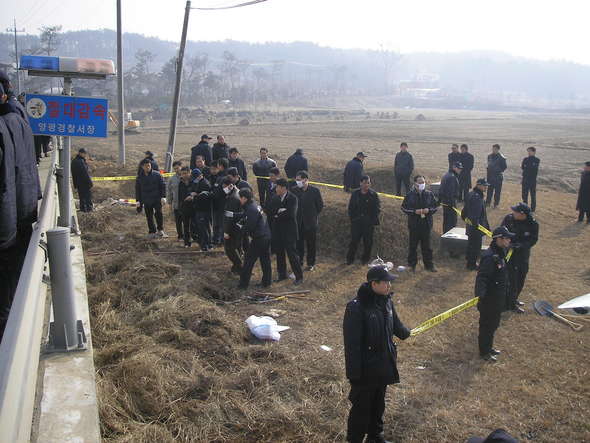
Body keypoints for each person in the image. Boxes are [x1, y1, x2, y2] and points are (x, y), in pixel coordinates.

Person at [343, 265, 410, 443]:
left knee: (379, 404)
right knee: (361, 409)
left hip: (384, 364)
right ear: (374, 283)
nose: (389, 285)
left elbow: (396, 324)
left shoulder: (386, 301)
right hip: (366, 370)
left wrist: (406, 332)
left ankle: (375, 437)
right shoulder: (356, 307)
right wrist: (354, 374)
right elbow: (352, 345)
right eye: (386, 282)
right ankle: (354, 439)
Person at [476, 226, 514, 362]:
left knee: (493, 325)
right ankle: (484, 351)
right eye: (506, 238)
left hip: (498, 299)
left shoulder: (501, 253)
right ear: (499, 239)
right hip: (489, 301)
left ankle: (489, 347)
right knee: (486, 326)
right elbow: (482, 278)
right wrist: (481, 296)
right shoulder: (489, 257)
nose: (509, 240)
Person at [502, 203, 538, 313]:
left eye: (515, 211)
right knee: (511, 279)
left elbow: (533, 239)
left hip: (522, 255)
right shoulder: (509, 219)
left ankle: (514, 299)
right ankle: (509, 304)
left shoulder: (533, 224)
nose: (513, 213)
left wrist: (521, 246)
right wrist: (507, 243)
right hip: (509, 254)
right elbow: (501, 232)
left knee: (521, 277)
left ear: (522, 214)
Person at [401, 175, 439, 272]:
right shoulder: (410, 195)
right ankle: (411, 265)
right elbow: (404, 208)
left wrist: (429, 210)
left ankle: (429, 265)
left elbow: (435, 207)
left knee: (427, 246)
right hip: (414, 224)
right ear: (415, 183)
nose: (422, 184)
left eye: (423, 182)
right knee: (413, 246)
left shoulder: (429, 194)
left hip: (426, 224)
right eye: (420, 182)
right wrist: (414, 211)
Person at [270, 178, 304, 285]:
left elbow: (291, 214)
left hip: (289, 232)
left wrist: (278, 214)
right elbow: (270, 210)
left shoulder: (293, 198)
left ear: (283, 188)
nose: (276, 189)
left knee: (292, 255)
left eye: (278, 187)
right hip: (278, 231)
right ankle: (282, 274)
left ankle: (299, 276)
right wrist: (279, 212)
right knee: (280, 254)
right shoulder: (275, 198)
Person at [237, 188, 272, 289]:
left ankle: (242, 285)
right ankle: (267, 282)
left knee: (248, 261)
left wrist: (240, 230)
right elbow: (246, 216)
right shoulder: (255, 204)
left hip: (259, 238)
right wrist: (236, 217)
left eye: (240, 198)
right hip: (266, 235)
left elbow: (249, 226)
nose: (239, 200)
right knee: (265, 260)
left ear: (244, 198)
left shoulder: (251, 209)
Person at [292, 170, 324, 271]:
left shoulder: (315, 191)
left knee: (311, 244)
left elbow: (320, 206)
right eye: (296, 180)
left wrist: (312, 216)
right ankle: (299, 261)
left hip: (311, 223)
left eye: (299, 180)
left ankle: (310, 263)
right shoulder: (294, 190)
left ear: (305, 180)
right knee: (298, 244)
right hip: (298, 222)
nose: (297, 182)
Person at [346, 175, 381, 265]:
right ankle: (350, 259)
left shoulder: (373, 195)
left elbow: (377, 209)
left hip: (368, 224)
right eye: (365, 182)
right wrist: (353, 219)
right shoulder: (355, 194)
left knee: (368, 242)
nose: (367, 185)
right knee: (354, 241)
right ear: (360, 183)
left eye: (368, 183)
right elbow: (351, 208)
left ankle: (365, 259)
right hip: (356, 223)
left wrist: (372, 220)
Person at [136, 158, 167, 238]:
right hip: (146, 199)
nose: (148, 167)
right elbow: (138, 189)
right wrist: (138, 200)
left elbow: (163, 185)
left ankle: (160, 230)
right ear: (142, 167)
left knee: (158, 214)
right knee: (149, 215)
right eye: (146, 166)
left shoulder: (157, 175)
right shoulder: (140, 177)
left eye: (149, 166)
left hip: (156, 198)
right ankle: (152, 231)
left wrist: (163, 196)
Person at [463, 179, 490, 270]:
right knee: (475, 246)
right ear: (479, 185)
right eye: (484, 185)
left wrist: (466, 219)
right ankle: (472, 264)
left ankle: (469, 260)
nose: (486, 187)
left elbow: (464, 210)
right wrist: (477, 226)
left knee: (471, 244)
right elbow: (476, 214)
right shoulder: (477, 197)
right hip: (476, 226)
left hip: (470, 225)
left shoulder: (471, 194)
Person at [222, 178, 245, 273]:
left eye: (224, 187)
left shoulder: (232, 198)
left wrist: (226, 231)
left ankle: (239, 266)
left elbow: (229, 216)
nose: (223, 189)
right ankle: (238, 267)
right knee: (238, 247)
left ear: (230, 185)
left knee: (230, 248)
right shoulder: (238, 193)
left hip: (233, 227)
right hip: (240, 225)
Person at [192, 168, 213, 251]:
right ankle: (209, 244)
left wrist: (195, 196)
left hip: (203, 209)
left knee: (203, 228)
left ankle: (205, 245)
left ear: (200, 175)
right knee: (206, 227)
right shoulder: (201, 182)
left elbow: (205, 197)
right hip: (202, 209)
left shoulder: (204, 184)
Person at [439, 162, 463, 234]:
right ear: (454, 167)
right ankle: (449, 237)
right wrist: (452, 204)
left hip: (445, 202)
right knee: (451, 222)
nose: (460, 170)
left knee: (446, 221)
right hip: (450, 203)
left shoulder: (447, 175)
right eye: (458, 168)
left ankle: (445, 236)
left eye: (461, 169)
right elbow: (450, 192)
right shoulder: (452, 177)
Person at [177, 166, 197, 247]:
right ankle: (187, 242)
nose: (184, 175)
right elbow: (179, 196)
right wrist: (180, 206)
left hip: (194, 207)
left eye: (185, 173)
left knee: (194, 225)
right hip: (184, 207)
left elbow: (197, 192)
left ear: (189, 173)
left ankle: (196, 239)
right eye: (182, 174)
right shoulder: (180, 183)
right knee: (185, 226)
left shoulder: (194, 182)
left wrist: (192, 197)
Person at [211, 158, 229, 245]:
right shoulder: (219, 177)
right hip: (216, 205)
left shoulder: (225, 178)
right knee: (216, 224)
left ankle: (221, 241)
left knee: (221, 224)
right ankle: (216, 239)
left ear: (221, 166)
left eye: (218, 165)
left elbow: (222, 192)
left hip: (222, 205)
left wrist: (214, 194)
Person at [71, 148, 93, 212]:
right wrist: (90, 182)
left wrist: (75, 184)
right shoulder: (80, 161)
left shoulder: (74, 160)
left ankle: (83, 209)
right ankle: (89, 210)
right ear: (80, 153)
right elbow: (85, 173)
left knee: (82, 197)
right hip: (84, 183)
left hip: (78, 183)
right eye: (84, 153)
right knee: (87, 197)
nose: (85, 155)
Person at [486, 144, 507, 208]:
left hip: (498, 177)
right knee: (489, 190)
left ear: (498, 149)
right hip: (490, 176)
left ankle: (496, 204)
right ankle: (488, 203)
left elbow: (504, 167)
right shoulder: (489, 156)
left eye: (495, 149)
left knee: (497, 191)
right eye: (493, 148)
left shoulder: (501, 157)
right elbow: (489, 165)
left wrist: (498, 170)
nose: (493, 150)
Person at [166, 161, 184, 240]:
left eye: (178, 168)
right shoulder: (172, 179)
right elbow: (169, 192)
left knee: (187, 221)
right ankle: (180, 236)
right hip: (176, 204)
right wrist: (169, 204)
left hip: (187, 204)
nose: (176, 170)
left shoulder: (187, 176)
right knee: (178, 221)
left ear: (181, 167)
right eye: (175, 169)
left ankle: (189, 235)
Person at [521, 147, 540, 212]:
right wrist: (528, 167)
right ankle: (525, 208)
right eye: (528, 151)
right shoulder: (525, 159)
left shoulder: (537, 160)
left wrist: (527, 167)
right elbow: (523, 167)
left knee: (533, 196)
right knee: (524, 195)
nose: (528, 152)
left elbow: (533, 169)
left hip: (532, 180)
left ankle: (532, 210)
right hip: (525, 180)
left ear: (534, 152)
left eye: (530, 151)